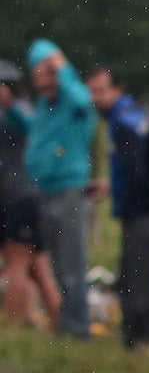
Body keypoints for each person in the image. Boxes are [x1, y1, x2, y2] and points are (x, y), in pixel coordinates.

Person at [85, 67, 149, 346]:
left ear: (117, 89)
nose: (95, 99)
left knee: (139, 278)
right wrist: (112, 187)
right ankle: (143, 335)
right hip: (148, 209)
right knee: (139, 273)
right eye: (91, 92)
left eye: (101, 91)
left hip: (143, 212)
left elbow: (138, 171)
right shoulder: (132, 115)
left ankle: (142, 339)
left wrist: (130, 198)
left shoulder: (124, 122)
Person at [17, 40, 99, 338]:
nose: (41, 77)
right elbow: (36, 131)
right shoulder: (44, 107)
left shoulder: (73, 104)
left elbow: (82, 99)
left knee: (72, 265)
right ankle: (67, 326)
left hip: (69, 192)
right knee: (57, 265)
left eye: (46, 70)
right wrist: (11, 107)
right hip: (46, 191)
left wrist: (61, 66)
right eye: (37, 71)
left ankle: (78, 330)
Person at [0, 59, 62, 330]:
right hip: (32, 196)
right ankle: (59, 326)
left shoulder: (14, 114)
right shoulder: (28, 111)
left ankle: (13, 330)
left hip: (16, 198)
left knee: (16, 265)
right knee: (38, 267)